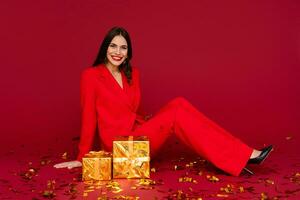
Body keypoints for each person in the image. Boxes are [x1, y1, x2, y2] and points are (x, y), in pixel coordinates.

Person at [54, 27, 273, 176]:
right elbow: (89, 118)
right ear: (105, 48)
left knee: (179, 104)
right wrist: (82, 157)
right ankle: (244, 155)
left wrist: (152, 124)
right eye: (113, 46)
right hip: (118, 148)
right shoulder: (91, 76)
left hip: (138, 138)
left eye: (123, 47)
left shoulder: (133, 74)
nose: (117, 52)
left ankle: (240, 154)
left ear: (129, 52)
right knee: (176, 111)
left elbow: (131, 111)